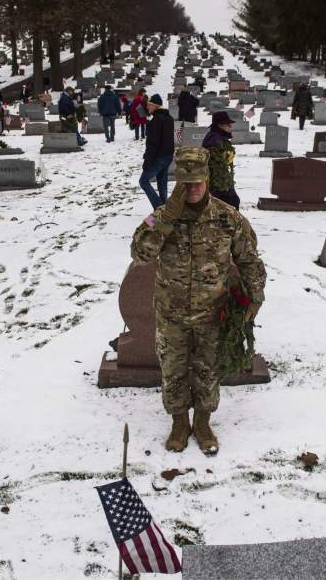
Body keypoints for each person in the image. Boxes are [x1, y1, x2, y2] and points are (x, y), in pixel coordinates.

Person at [130, 148, 266, 455]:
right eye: (185, 182)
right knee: (173, 370)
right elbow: (140, 254)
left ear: (207, 180)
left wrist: (254, 298)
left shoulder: (227, 217)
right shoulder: (162, 216)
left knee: (208, 370)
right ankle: (179, 423)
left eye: (197, 182)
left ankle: (203, 422)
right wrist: (165, 218)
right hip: (171, 313)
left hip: (211, 314)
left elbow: (249, 260)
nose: (192, 189)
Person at [140, 94, 174, 209]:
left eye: (149, 105)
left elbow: (153, 144)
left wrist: (147, 161)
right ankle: (166, 208)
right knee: (162, 184)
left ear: (155, 106)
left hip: (158, 157)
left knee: (143, 181)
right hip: (168, 156)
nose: (148, 108)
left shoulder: (156, 120)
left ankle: (158, 207)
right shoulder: (168, 118)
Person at [202, 111, 239, 210]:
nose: (230, 126)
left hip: (222, 181)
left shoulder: (219, 137)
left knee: (230, 203)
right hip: (217, 182)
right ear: (220, 125)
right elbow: (212, 161)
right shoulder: (214, 139)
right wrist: (225, 158)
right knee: (232, 202)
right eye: (228, 124)